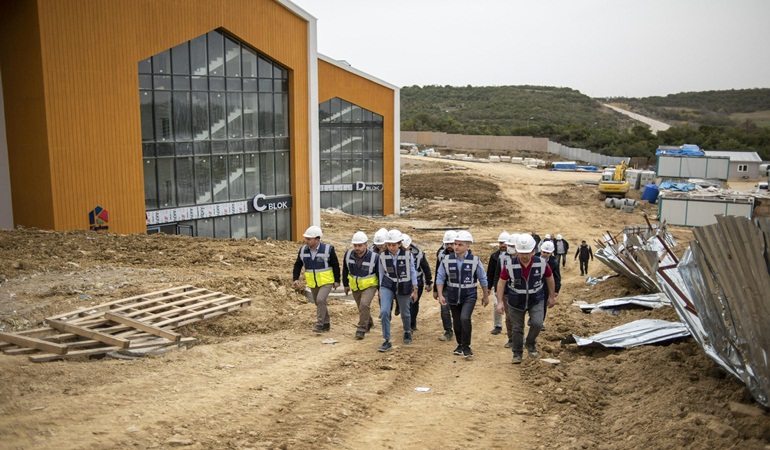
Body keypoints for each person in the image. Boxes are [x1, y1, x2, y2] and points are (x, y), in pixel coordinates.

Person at [496, 233, 556, 364]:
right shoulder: (510, 265)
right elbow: (501, 282)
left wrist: (551, 296)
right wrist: (500, 302)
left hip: (536, 299)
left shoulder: (541, 263)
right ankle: (517, 353)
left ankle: (530, 342)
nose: (524, 256)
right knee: (517, 328)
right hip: (515, 301)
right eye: (521, 253)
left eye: (527, 253)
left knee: (537, 323)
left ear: (534, 251)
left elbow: (550, 278)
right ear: (516, 251)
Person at [436, 231, 489, 358]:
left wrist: (486, 295)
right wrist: (440, 295)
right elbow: (440, 278)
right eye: (455, 244)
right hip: (453, 294)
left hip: (469, 294)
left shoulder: (475, 260)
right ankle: (460, 344)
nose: (456, 247)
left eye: (460, 244)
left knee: (465, 318)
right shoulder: (446, 260)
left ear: (467, 246)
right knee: (457, 320)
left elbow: (482, 278)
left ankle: (466, 346)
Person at [292, 225, 341, 333]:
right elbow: (298, 265)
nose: (306, 241)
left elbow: (335, 265)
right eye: (306, 238)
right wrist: (296, 278)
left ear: (317, 239)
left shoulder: (328, 249)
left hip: (326, 281)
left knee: (320, 300)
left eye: (309, 239)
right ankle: (326, 323)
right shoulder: (303, 250)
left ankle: (319, 324)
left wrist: (337, 280)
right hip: (313, 282)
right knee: (318, 302)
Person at [377, 229, 418, 352]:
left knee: (405, 312)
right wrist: (380, 289)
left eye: (394, 245)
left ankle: (407, 331)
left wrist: (415, 288)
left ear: (400, 244)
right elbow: (380, 273)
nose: (391, 247)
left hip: (404, 285)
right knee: (384, 311)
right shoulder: (382, 256)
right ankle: (386, 340)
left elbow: (412, 271)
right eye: (389, 245)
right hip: (388, 284)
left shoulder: (407, 255)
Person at [343, 231, 379, 340]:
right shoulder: (348, 254)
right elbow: (345, 270)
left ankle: (361, 329)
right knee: (361, 307)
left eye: (359, 245)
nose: (357, 248)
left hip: (370, 286)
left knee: (364, 304)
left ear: (366, 245)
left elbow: (379, 274)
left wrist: (380, 289)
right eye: (355, 245)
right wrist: (345, 284)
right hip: (356, 286)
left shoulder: (374, 257)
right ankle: (369, 322)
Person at [402, 234, 432, 332]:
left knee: (414, 303)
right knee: (405, 303)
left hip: (417, 282)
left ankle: (412, 324)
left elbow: (426, 268)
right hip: (403, 282)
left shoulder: (418, 254)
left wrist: (428, 282)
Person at [433, 230, 457, 341]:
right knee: (444, 309)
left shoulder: (464, 254)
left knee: (457, 310)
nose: (449, 246)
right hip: (446, 286)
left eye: (451, 244)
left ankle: (459, 329)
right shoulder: (441, 255)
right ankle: (448, 331)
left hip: (459, 286)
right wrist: (436, 290)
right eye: (447, 244)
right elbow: (438, 272)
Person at [487, 231, 509, 335]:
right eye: (501, 243)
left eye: (505, 242)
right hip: (498, 285)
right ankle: (498, 325)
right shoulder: (494, 256)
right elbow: (491, 272)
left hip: (511, 286)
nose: (503, 245)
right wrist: (489, 286)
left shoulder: (515, 256)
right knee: (497, 304)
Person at [536, 240, 561, 331]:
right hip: (533, 285)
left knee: (543, 305)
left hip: (546, 287)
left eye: (548, 253)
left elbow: (557, 277)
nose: (545, 254)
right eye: (544, 252)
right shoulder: (533, 258)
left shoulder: (554, 263)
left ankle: (540, 322)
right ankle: (533, 318)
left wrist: (556, 290)